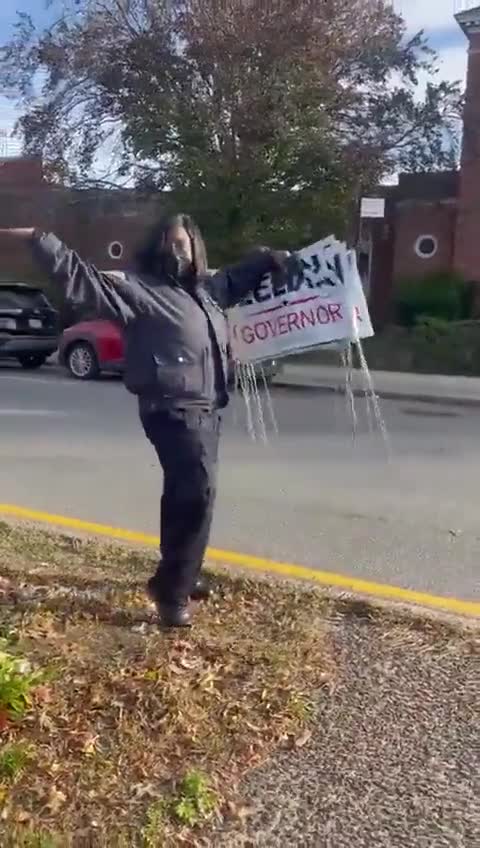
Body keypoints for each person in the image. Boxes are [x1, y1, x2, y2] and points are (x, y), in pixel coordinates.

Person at [0, 215, 288, 627]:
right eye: (171, 243)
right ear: (157, 248)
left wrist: (266, 258)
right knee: (196, 495)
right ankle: (171, 593)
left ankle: (182, 573)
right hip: (171, 407)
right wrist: (39, 239)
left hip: (207, 406)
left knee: (189, 496)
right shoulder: (139, 289)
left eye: (185, 243)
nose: (178, 250)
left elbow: (238, 278)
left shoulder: (206, 292)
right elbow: (83, 280)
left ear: (196, 249)